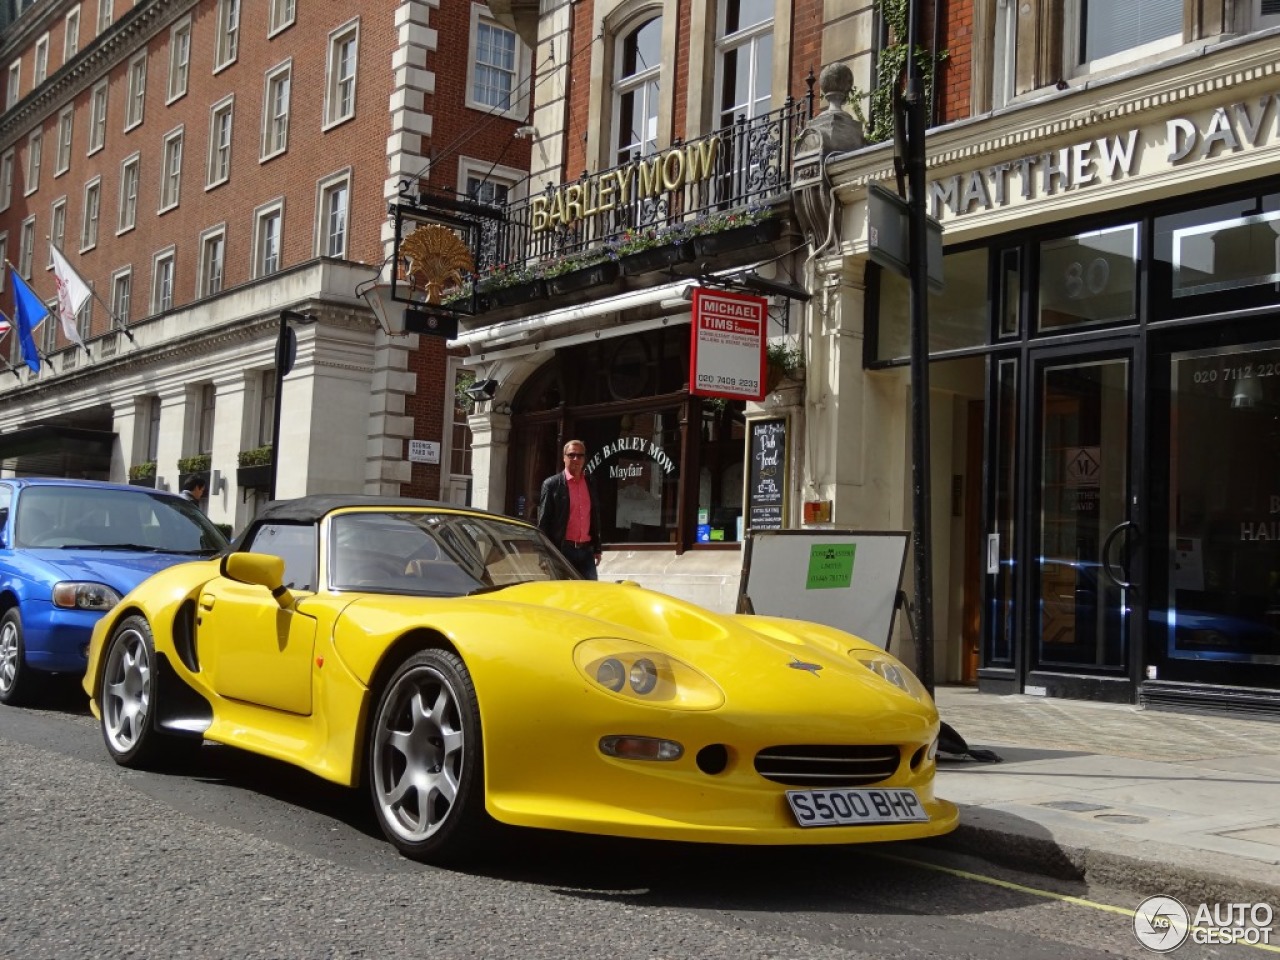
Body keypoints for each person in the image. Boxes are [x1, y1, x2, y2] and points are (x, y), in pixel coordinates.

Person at [537, 439, 602, 580]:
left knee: (590, 594)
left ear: (584, 459)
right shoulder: (552, 485)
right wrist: (544, 554)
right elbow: (544, 521)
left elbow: (594, 516)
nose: (576, 459)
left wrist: (597, 547)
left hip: (586, 551)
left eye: (580, 455)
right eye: (571, 455)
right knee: (563, 595)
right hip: (562, 550)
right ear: (564, 458)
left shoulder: (590, 482)